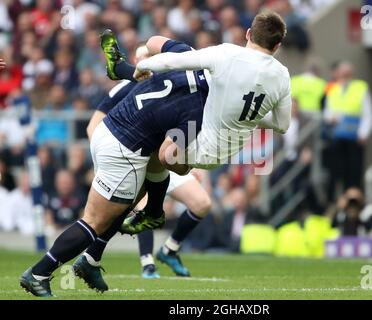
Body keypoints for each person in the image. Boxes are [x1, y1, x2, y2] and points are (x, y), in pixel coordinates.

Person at [20, 31, 212, 297]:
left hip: (114, 133)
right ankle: (39, 273)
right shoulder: (199, 106)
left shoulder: (185, 56)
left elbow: (155, 40)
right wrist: (190, 165)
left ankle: (97, 256)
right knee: (94, 222)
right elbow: (170, 157)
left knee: (131, 196)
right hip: (123, 148)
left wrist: (131, 68)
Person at [116, 11, 291, 233]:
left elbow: (174, 62)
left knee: (161, 152)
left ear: (248, 33)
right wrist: (251, 117)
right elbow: (282, 125)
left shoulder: (228, 53)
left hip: (200, 141)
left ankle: (146, 210)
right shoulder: (282, 75)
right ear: (277, 46)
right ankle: (143, 209)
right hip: (227, 152)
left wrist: (141, 66)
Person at [81, 44, 212, 280]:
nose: (147, 61)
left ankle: (169, 250)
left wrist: (190, 163)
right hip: (136, 159)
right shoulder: (126, 87)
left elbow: (189, 125)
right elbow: (93, 126)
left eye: (150, 57)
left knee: (201, 203)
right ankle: (146, 263)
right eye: (143, 57)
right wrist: (107, 163)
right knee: (137, 207)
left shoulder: (179, 79)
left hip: (168, 158)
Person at [324, 61, 372, 202]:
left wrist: (363, 134)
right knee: (335, 172)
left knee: (353, 174)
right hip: (338, 137)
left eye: (347, 74)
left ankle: (353, 201)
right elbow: (327, 112)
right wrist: (332, 117)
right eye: (342, 74)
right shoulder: (333, 90)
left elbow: (368, 114)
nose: (344, 77)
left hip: (354, 138)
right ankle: (335, 201)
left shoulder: (360, 88)